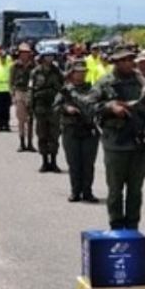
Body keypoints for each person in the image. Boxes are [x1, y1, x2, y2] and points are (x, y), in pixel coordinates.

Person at [94, 48, 145, 229]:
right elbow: (89, 105)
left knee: (135, 191)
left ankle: (132, 227)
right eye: (123, 60)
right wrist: (109, 107)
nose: (128, 63)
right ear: (115, 62)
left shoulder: (141, 82)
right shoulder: (105, 83)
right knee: (115, 190)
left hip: (139, 144)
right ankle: (116, 226)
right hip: (116, 144)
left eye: (130, 59)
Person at [55, 60, 99, 202]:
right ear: (72, 74)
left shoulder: (93, 90)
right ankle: (75, 191)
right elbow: (55, 107)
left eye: (83, 72)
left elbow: (100, 106)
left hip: (89, 130)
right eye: (78, 72)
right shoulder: (66, 90)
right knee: (74, 163)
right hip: (71, 130)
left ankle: (87, 191)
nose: (81, 75)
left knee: (88, 163)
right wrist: (66, 108)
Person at [29, 46, 65, 173]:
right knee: (42, 134)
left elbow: (64, 88)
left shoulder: (58, 72)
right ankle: (44, 162)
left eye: (51, 56)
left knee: (54, 135)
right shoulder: (35, 72)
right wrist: (30, 106)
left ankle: (53, 162)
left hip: (54, 107)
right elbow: (31, 90)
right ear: (42, 57)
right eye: (47, 56)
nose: (49, 58)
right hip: (40, 106)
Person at [10, 43, 36, 151]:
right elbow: (11, 81)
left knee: (30, 120)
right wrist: (13, 95)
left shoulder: (33, 65)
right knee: (21, 119)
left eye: (27, 52)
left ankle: (30, 143)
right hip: (19, 92)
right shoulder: (15, 66)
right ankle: (22, 143)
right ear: (19, 54)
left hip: (31, 92)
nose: (25, 54)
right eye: (23, 52)